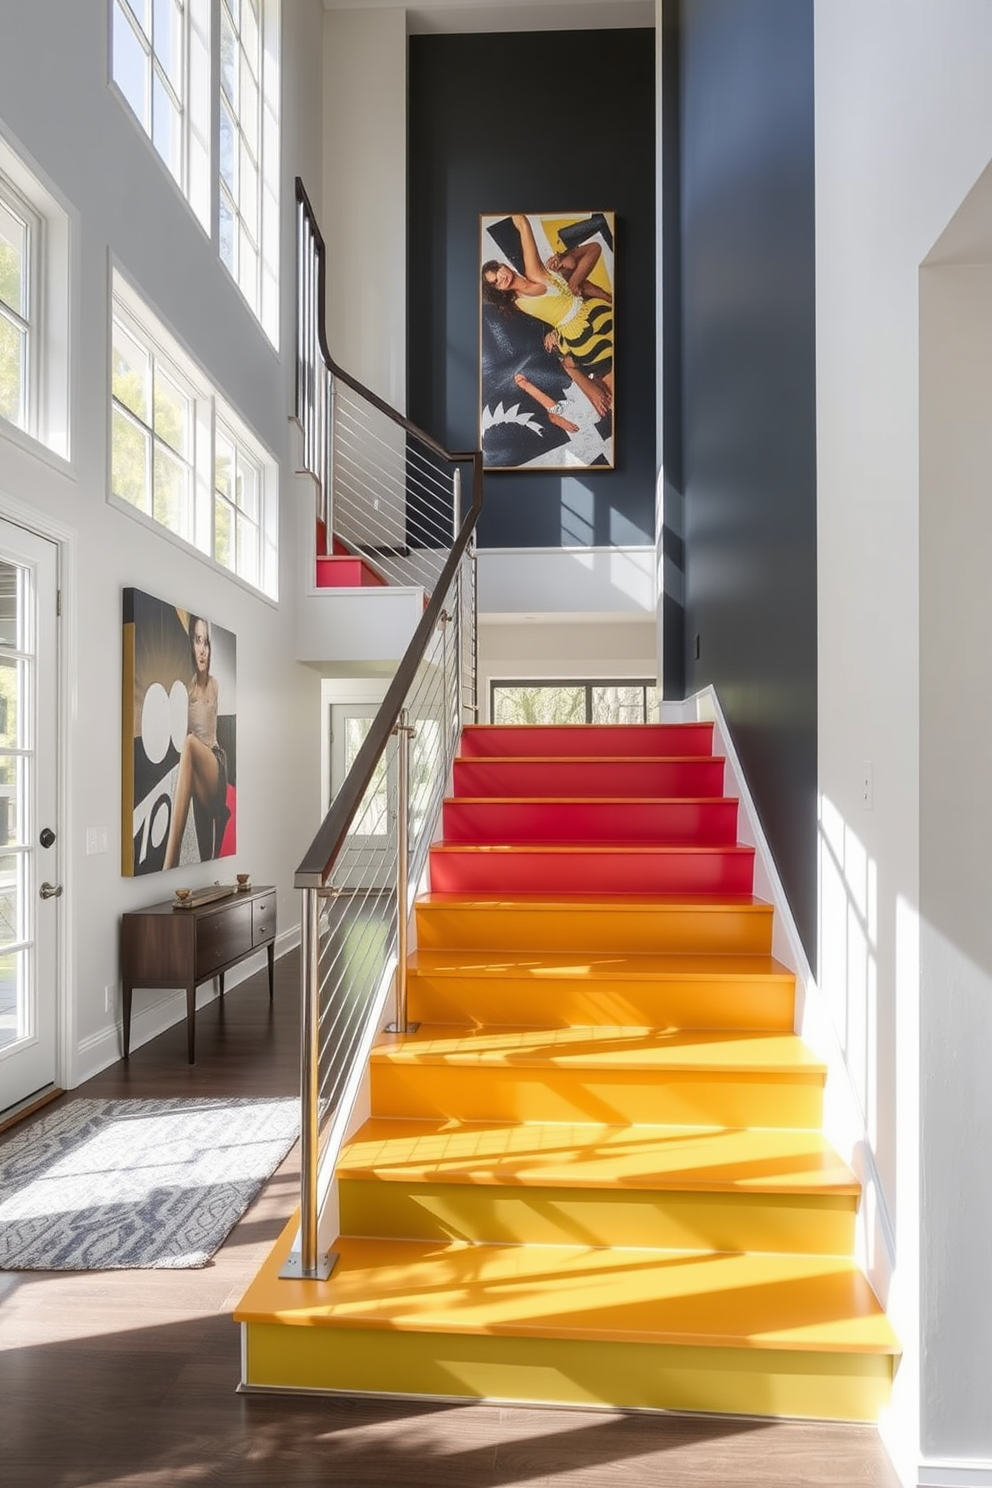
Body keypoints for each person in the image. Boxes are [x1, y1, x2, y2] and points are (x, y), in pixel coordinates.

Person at [482, 212, 614, 417]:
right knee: (573, 363)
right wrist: (553, 330)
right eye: (495, 283)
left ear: (503, 265)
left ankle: (594, 387)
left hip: (590, 320)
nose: (501, 279)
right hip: (577, 331)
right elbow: (549, 309)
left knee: (577, 363)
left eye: (497, 272)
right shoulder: (518, 301)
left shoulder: (536, 273)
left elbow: (524, 225)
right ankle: (594, 388)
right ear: (498, 290)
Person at [163, 614, 229, 869]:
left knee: (191, 743)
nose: (203, 650)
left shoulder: (214, 686)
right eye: (197, 641)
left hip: (215, 762)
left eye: (207, 642)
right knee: (206, 859)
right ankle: (218, 816)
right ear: (191, 645)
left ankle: (171, 861)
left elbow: (214, 732)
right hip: (197, 769)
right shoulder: (186, 689)